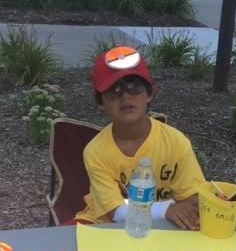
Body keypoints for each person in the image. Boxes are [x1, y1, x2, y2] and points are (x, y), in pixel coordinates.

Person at [75, 46, 204, 230]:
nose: (125, 95)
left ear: (149, 93)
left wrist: (196, 209)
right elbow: (116, 212)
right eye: (114, 89)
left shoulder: (175, 142)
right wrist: (166, 209)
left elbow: (191, 198)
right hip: (104, 225)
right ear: (100, 102)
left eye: (134, 86)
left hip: (162, 226)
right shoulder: (96, 151)